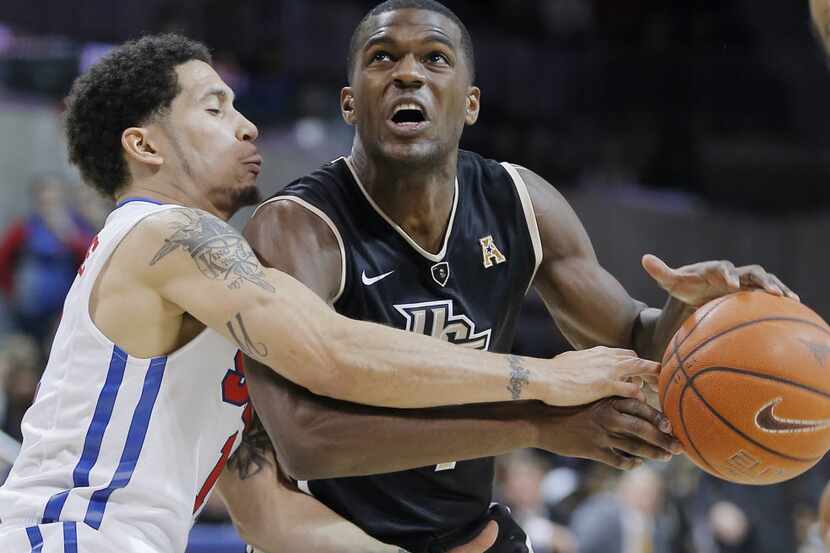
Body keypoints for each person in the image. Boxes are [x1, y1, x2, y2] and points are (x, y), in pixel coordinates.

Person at [0, 34, 649, 553]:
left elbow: (270, 517)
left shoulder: (208, 308)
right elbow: (330, 349)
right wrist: (542, 380)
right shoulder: (164, 232)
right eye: (215, 107)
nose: (248, 126)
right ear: (144, 145)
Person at [240, 1, 795, 552]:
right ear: (349, 103)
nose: (408, 73)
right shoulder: (297, 229)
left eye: (435, 59)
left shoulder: (521, 204)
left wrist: (698, 312)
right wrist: (536, 424)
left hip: (471, 534)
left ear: (472, 103)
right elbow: (305, 441)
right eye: (382, 58)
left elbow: (633, 342)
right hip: (330, 542)